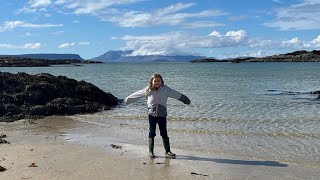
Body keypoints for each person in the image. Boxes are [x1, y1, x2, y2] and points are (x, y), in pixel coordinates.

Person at [124, 73, 191, 158]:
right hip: (151, 115)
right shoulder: (148, 89)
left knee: (164, 132)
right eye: (155, 81)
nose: (157, 82)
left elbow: (175, 94)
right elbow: (138, 94)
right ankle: (151, 152)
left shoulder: (166, 89)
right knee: (152, 132)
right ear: (151, 81)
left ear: (161, 81)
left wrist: (185, 100)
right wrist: (127, 100)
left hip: (162, 115)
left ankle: (167, 151)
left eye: (158, 81)